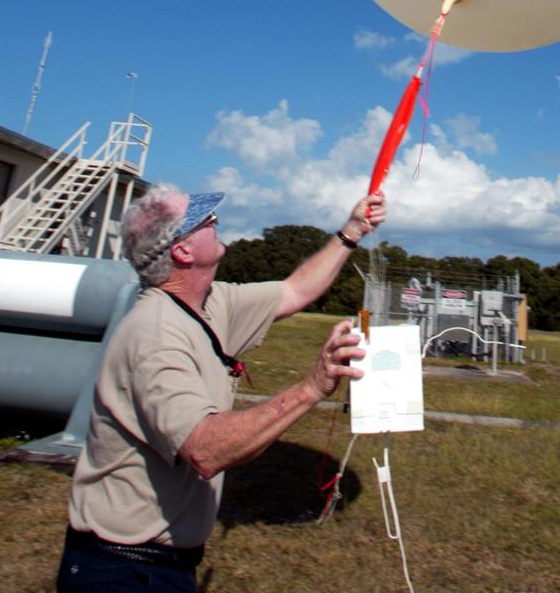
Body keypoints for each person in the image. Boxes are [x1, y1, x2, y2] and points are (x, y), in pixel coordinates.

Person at [56, 183, 385, 591]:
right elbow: (206, 450)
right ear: (183, 251)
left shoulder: (209, 303)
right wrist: (312, 387)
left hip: (163, 562)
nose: (216, 221)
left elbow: (295, 290)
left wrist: (351, 232)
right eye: (205, 220)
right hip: (123, 570)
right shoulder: (155, 336)